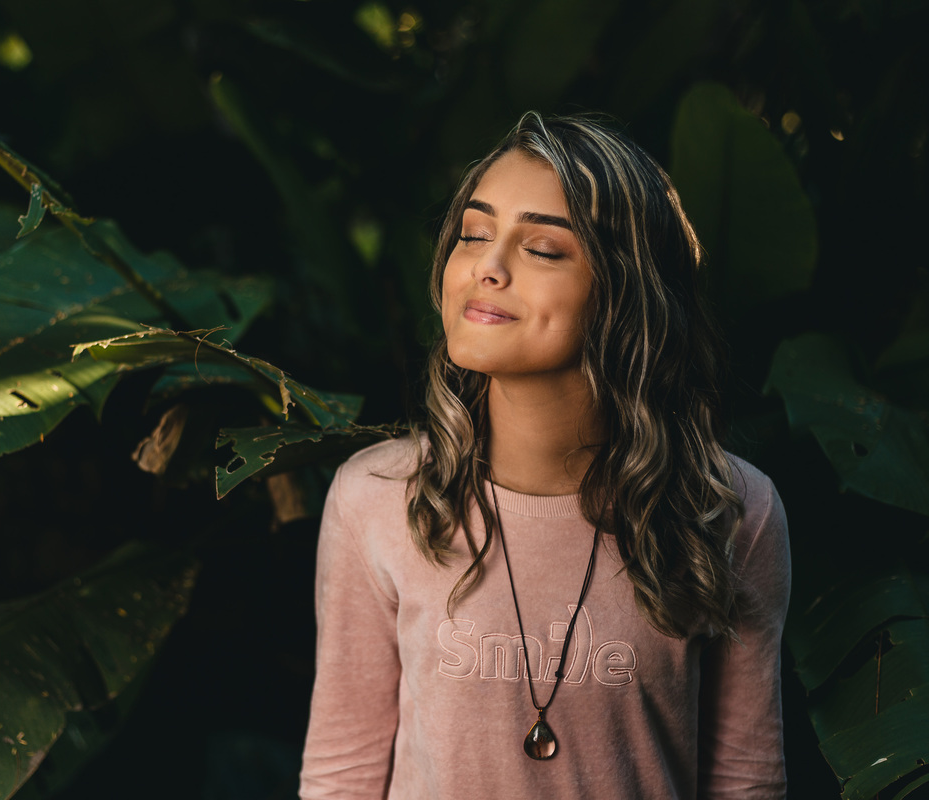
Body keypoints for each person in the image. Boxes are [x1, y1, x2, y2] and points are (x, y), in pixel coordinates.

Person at [298, 112, 790, 799]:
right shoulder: (376, 497)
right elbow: (342, 777)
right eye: (474, 234)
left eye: (543, 249)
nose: (487, 267)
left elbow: (745, 782)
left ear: (626, 291)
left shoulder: (730, 509)